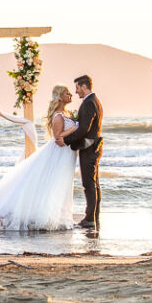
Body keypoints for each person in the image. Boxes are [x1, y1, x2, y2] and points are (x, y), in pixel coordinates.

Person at [0, 85, 78, 231]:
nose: (70, 95)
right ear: (60, 96)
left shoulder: (67, 113)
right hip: (58, 154)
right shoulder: (58, 116)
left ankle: (59, 216)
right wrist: (74, 128)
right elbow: (57, 137)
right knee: (52, 183)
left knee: (60, 185)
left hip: (66, 155)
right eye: (67, 93)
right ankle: (43, 217)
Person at [56, 75, 103, 230]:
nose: (76, 92)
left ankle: (90, 218)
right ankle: (94, 216)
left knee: (89, 183)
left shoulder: (89, 103)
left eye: (77, 88)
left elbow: (84, 129)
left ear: (84, 86)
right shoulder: (94, 101)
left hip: (89, 147)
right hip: (93, 147)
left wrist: (67, 140)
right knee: (94, 183)